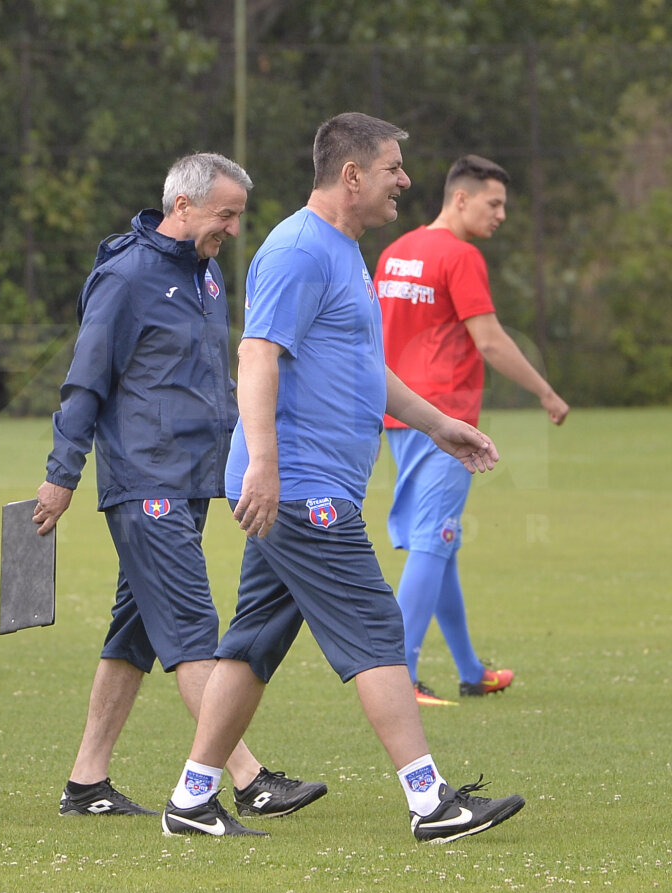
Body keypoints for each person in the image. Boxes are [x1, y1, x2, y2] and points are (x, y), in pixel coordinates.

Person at [160, 114, 525, 843]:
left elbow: (363, 369)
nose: (405, 181)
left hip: (298, 483)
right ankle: (431, 801)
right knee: (375, 628)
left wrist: (436, 422)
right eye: (393, 167)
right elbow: (257, 357)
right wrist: (263, 462)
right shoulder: (299, 249)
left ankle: (193, 798)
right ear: (352, 174)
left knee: (252, 642)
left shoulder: (343, 250)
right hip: (299, 487)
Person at [33, 152, 327, 822]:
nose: (232, 227)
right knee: (194, 630)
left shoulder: (208, 274)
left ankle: (86, 783)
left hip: (191, 479)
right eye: (225, 214)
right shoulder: (125, 275)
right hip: (145, 481)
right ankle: (247, 777)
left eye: (239, 216)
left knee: (132, 636)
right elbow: (85, 382)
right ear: (183, 205)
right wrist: (61, 475)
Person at [374, 155, 570, 706]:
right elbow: (489, 340)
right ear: (460, 199)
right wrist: (545, 391)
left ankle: (470, 669)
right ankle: (402, 677)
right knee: (432, 542)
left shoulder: (396, 252)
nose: (501, 214)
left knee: (441, 544)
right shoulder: (460, 256)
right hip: (448, 423)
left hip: (401, 415)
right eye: (494, 202)